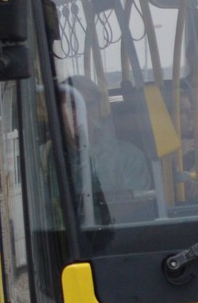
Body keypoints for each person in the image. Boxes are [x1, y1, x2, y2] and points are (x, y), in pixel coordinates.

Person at [58, 76, 153, 210]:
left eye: (88, 105)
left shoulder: (129, 157)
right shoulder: (43, 159)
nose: (80, 113)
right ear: (57, 111)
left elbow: (135, 211)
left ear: (99, 109)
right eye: (71, 105)